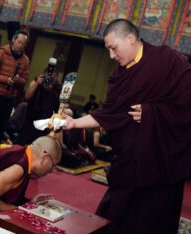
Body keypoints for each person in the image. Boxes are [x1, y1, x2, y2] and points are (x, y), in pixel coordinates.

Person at [63, 19, 191, 233]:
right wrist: (74, 122)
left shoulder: (167, 60)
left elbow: (187, 104)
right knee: (116, 214)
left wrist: (153, 113)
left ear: (131, 39)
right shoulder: (120, 76)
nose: (112, 56)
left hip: (161, 161)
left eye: (113, 48)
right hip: (131, 160)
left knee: (151, 220)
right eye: (108, 50)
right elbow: (108, 113)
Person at [0, 135, 62, 220]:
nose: (51, 171)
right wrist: (17, 210)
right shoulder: (18, 168)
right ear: (45, 157)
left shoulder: (23, 153)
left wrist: (28, 203)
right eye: (53, 165)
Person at [0, 30, 29, 154]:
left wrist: (19, 80)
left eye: (23, 44)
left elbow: (25, 80)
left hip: (9, 97)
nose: (21, 45)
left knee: (1, 128)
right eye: (19, 42)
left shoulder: (25, 60)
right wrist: (5, 80)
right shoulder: (1, 53)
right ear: (13, 40)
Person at [17, 64, 62, 145]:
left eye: (52, 78)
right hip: (30, 121)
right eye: (48, 76)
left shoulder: (57, 88)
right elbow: (27, 96)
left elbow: (58, 108)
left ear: (56, 78)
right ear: (44, 75)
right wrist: (37, 83)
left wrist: (51, 89)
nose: (49, 79)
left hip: (44, 125)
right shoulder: (36, 81)